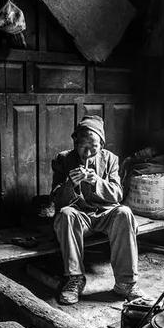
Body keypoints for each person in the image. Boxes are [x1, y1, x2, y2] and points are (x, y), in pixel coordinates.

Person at [52, 115, 144, 305]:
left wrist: (97, 182)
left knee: (124, 212)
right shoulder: (63, 159)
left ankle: (126, 283)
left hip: (105, 214)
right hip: (79, 215)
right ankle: (74, 278)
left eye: (94, 146)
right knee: (66, 214)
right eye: (83, 145)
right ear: (75, 142)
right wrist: (71, 184)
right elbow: (57, 200)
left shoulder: (110, 159)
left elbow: (117, 194)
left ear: (101, 145)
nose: (88, 151)